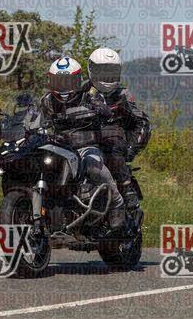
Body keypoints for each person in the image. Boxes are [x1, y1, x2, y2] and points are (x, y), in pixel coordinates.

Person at [39, 56, 126, 230]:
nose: (63, 86)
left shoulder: (89, 96)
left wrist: (100, 109)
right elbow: (34, 118)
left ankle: (117, 203)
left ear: (77, 81)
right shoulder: (47, 100)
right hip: (57, 147)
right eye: (58, 82)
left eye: (68, 82)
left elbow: (106, 111)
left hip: (85, 146)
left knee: (94, 167)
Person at [87, 47, 151, 209]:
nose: (107, 76)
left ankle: (127, 189)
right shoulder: (83, 93)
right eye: (103, 71)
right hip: (85, 142)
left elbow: (142, 123)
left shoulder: (122, 95)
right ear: (92, 69)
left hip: (112, 145)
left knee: (113, 145)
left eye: (111, 71)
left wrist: (130, 150)